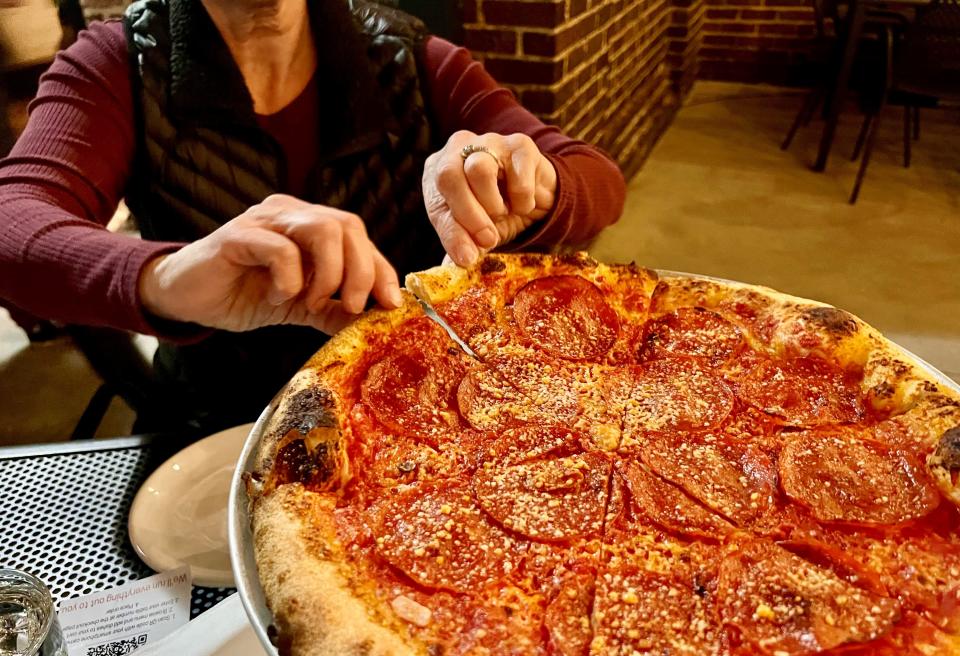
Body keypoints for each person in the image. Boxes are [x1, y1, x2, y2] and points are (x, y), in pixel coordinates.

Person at [0, 0, 626, 433]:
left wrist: (535, 183)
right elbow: (11, 222)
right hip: (215, 416)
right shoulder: (116, 62)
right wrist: (164, 277)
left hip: (416, 413)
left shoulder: (412, 54)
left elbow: (598, 178)